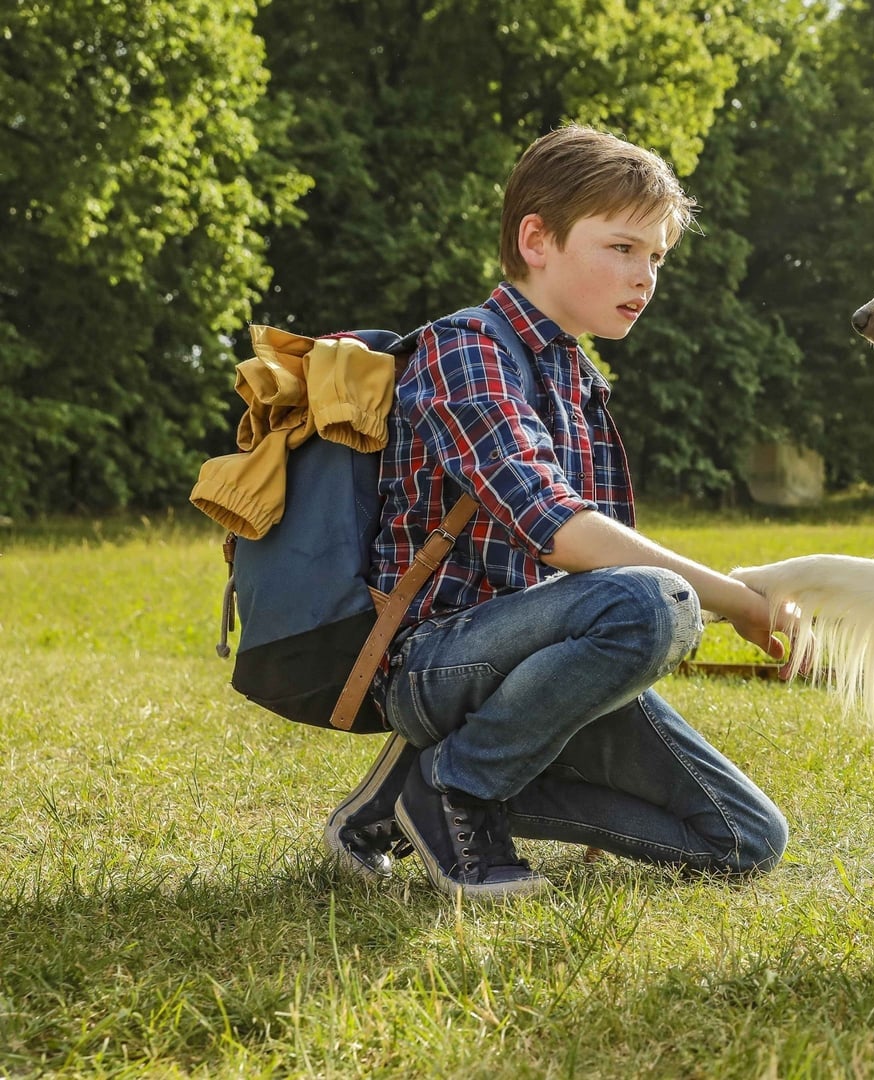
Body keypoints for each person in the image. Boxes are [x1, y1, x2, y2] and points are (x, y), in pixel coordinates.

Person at [322, 124, 797, 899]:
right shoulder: (465, 348)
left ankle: (404, 798)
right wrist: (740, 601)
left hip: (536, 666)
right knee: (655, 602)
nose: (645, 276)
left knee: (745, 838)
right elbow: (563, 533)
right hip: (432, 662)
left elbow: (602, 578)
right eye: (622, 248)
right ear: (536, 240)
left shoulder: (582, 384)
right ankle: (455, 789)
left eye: (656, 257)